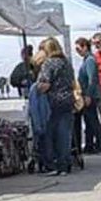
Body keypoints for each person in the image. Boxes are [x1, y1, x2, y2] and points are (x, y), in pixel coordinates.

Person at [35, 37, 75, 176]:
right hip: (69, 100)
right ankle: (65, 164)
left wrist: (38, 86)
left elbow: (44, 85)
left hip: (54, 102)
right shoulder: (66, 62)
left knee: (51, 134)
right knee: (65, 134)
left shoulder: (49, 63)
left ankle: (55, 164)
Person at [74, 37, 101, 153]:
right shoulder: (86, 60)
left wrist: (88, 95)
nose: (77, 51)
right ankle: (90, 145)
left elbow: (92, 79)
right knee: (89, 122)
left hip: (89, 95)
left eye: (78, 48)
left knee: (92, 121)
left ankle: (100, 143)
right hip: (86, 94)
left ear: (85, 47)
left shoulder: (90, 60)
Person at [27, 46, 52, 171]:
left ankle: (45, 161)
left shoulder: (37, 87)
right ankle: (46, 161)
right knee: (44, 140)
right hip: (44, 121)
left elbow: (34, 110)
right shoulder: (37, 88)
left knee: (43, 140)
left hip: (43, 121)